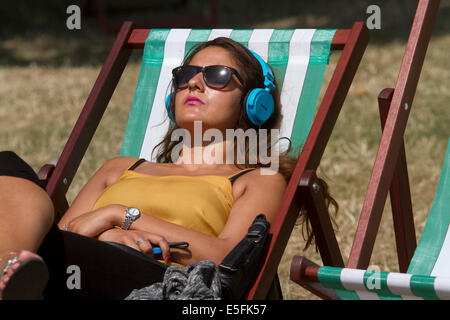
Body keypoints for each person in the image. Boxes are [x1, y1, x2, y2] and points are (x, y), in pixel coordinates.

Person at [0, 37, 336, 300]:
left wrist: (121, 215)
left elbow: (227, 259)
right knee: (7, 163)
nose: (194, 84)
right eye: (186, 75)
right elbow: (62, 233)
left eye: (217, 76)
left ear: (254, 103)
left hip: (164, 282)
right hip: (79, 266)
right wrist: (108, 233)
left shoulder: (259, 179)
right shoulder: (121, 166)